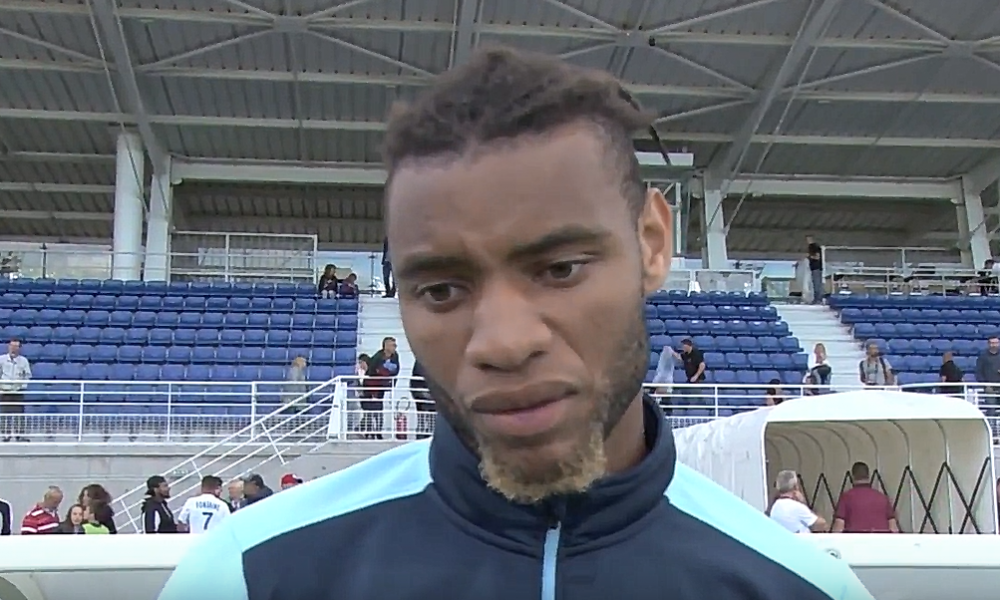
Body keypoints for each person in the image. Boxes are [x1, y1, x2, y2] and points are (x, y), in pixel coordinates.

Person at [159, 46, 870, 600]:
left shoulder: (802, 589)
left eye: (559, 269)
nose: (503, 342)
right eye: (442, 289)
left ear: (653, 243)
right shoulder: (249, 577)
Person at [832, 462, 899, 534]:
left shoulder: (846, 497)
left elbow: (838, 527)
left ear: (852, 476)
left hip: (856, 539)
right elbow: (894, 528)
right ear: (868, 476)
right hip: (880, 539)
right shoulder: (882, 497)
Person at [360, 337, 400, 438]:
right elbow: (371, 372)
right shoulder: (378, 357)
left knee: (379, 409)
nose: (395, 347)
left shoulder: (395, 356)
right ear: (386, 346)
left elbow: (396, 370)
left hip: (381, 386)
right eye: (393, 345)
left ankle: (378, 432)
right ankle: (367, 431)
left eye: (395, 345)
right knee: (369, 410)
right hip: (371, 386)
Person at [0, 338, 32, 442]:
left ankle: (19, 435)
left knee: (19, 414)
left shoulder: (24, 361)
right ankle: (6, 435)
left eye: (16, 346)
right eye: (12, 346)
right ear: (8, 347)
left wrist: (22, 386)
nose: (13, 348)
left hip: (18, 391)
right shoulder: (1, 359)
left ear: (19, 348)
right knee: (4, 414)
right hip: (4, 391)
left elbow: (27, 375)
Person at [410, 360, 434, 438]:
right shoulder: (421, 361)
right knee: (423, 414)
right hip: (421, 392)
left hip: (428, 392)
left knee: (430, 415)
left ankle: (428, 434)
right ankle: (422, 434)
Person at [975, 336, 1000, 411]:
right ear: (988, 344)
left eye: (996, 343)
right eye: (992, 343)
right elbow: (978, 372)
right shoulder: (982, 357)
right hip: (989, 386)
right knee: (991, 407)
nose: (994, 345)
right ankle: (991, 418)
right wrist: (985, 385)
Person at [805, 235, 824, 304]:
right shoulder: (812, 247)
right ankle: (817, 298)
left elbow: (817, 257)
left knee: (817, 284)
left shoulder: (814, 247)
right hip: (814, 268)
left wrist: (809, 257)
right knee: (815, 284)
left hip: (816, 268)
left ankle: (818, 299)